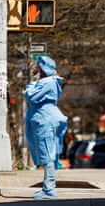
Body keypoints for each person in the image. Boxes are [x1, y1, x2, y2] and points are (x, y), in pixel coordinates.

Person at [24, 56, 67, 199]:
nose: (35, 69)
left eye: (38, 67)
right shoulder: (45, 82)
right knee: (45, 152)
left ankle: (49, 189)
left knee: (47, 153)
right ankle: (47, 187)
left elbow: (31, 96)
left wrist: (31, 84)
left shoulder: (48, 82)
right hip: (42, 119)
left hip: (45, 120)